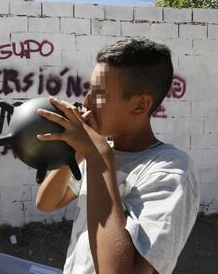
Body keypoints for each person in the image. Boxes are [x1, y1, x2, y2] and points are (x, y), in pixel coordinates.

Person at [35, 38, 199, 274]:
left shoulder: (171, 170)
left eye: (100, 93)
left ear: (140, 105)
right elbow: (47, 202)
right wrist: (76, 152)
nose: (87, 101)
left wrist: (98, 156)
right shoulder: (97, 152)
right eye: (89, 89)